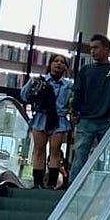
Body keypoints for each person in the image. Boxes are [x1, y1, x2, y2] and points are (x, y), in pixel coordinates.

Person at [69, 34, 110, 175]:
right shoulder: (85, 70)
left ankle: (100, 187)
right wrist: (74, 112)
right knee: (80, 155)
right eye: (91, 48)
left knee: (106, 156)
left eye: (96, 47)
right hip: (86, 120)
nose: (92, 51)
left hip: (109, 120)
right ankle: (73, 186)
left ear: (107, 49)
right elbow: (76, 93)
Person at [19, 54, 71, 188]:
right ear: (50, 64)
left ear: (65, 66)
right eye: (55, 61)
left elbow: (73, 103)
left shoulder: (68, 85)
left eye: (62, 62)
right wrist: (31, 82)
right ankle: (37, 182)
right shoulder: (40, 81)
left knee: (55, 150)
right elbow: (24, 96)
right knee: (39, 149)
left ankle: (51, 184)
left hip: (59, 119)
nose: (58, 64)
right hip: (41, 117)